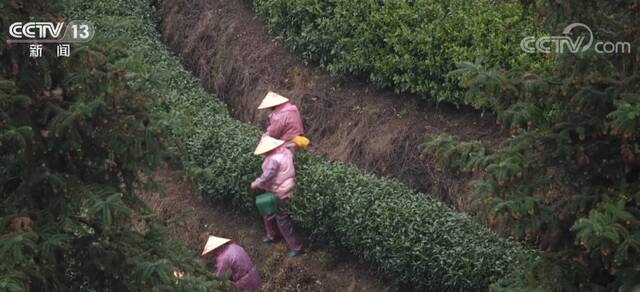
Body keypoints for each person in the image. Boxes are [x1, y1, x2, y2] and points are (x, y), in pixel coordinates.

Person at [250, 135, 303, 257]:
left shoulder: (274, 160)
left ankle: (296, 247)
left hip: (281, 191)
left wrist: (256, 183)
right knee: (268, 213)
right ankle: (272, 235)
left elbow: (268, 175)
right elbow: (293, 147)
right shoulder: (285, 151)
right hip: (284, 187)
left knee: (282, 219)